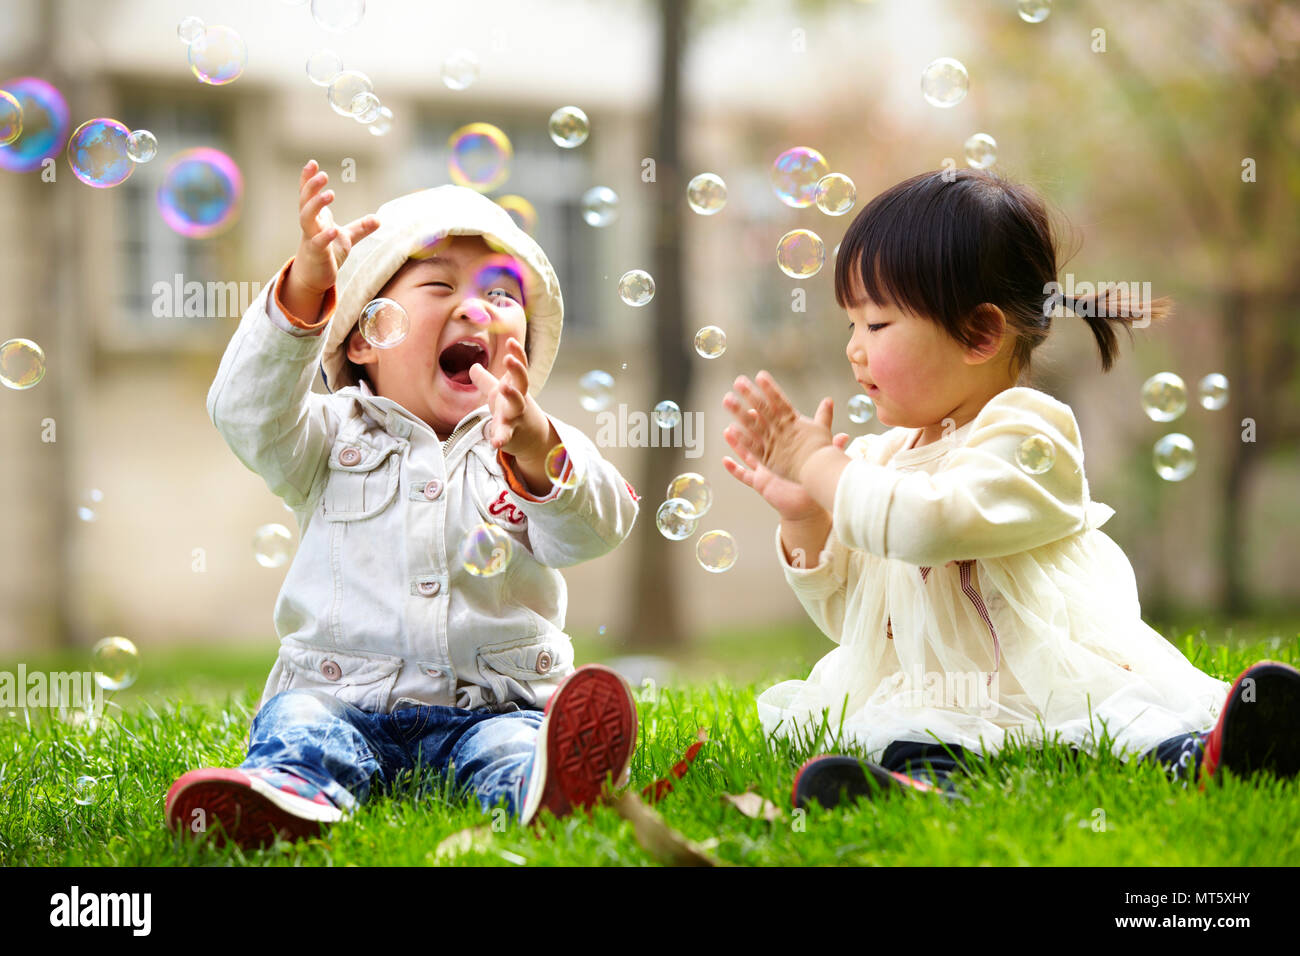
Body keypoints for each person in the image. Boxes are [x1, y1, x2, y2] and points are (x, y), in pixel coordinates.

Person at [721, 168, 1300, 808]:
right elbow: (856, 619)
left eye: (878, 326)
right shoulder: (880, 458)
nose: (855, 350)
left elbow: (928, 526)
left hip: (1044, 686)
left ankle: (1209, 755)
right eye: (851, 325)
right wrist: (806, 519)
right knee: (911, 735)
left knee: (1123, 728)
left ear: (980, 334)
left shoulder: (1027, 434)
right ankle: (919, 788)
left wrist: (821, 468)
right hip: (940, 702)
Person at [165, 161, 641, 847]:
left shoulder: (532, 446)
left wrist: (539, 454)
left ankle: (542, 788)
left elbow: (599, 527)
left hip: (493, 704)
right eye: (440, 285)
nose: (475, 308)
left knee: (512, 744)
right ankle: (288, 795)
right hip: (343, 697)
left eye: (502, 296)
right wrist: (303, 295)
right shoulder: (326, 436)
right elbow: (244, 413)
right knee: (300, 725)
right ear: (364, 337)